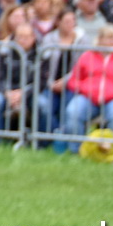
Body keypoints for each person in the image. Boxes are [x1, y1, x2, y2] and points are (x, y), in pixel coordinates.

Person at [62, 24, 113, 151]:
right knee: (73, 111)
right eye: (109, 38)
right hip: (89, 97)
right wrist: (86, 89)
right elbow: (73, 81)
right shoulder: (87, 56)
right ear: (100, 39)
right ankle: (77, 151)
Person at [0, 22, 39, 139]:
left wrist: (23, 93)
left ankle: (40, 143)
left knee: (42, 104)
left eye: (26, 37)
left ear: (33, 37)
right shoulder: (5, 52)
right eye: (20, 37)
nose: (23, 40)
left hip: (30, 93)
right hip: (7, 92)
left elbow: (40, 81)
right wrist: (7, 92)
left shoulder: (40, 53)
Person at [37, 11, 79, 149]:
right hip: (50, 85)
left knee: (70, 110)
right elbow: (42, 65)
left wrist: (65, 81)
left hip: (72, 86)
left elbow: (81, 67)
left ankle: (61, 141)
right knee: (43, 106)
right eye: (66, 21)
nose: (70, 24)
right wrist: (51, 84)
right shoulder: (49, 39)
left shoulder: (81, 40)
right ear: (58, 22)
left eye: (72, 21)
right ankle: (56, 135)